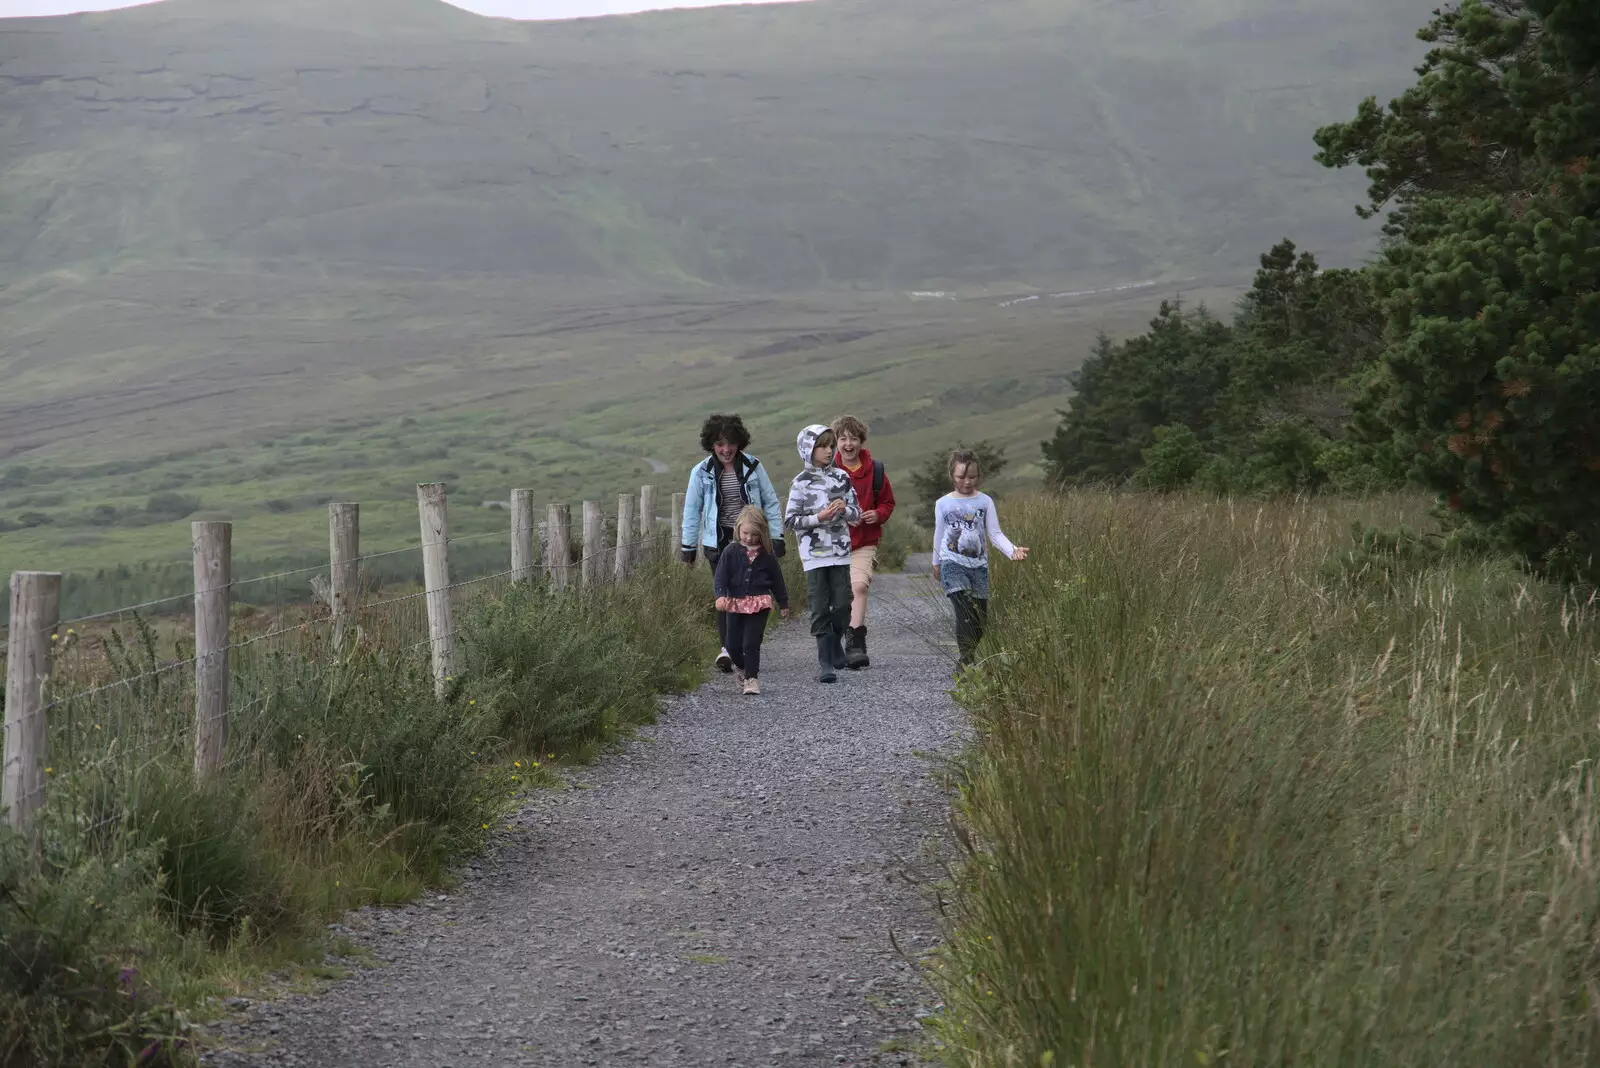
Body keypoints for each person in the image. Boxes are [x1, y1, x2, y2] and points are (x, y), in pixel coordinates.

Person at [681, 413, 785, 674]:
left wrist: (776, 536)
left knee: (750, 590)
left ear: (740, 442)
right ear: (711, 445)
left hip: (752, 539)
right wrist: (688, 547)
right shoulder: (701, 471)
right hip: (719, 541)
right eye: (719, 444)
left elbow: (770, 502)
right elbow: (692, 510)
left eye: (730, 443)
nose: (726, 450)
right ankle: (727, 649)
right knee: (724, 593)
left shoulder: (753, 467)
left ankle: (747, 645)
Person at [931, 449, 1028, 666]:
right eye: (961, 477)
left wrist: (1012, 550)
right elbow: (939, 534)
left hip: (978, 567)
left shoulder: (985, 502)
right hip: (952, 564)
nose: (967, 482)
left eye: (972, 477)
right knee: (965, 611)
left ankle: (969, 656)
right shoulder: (943, 504)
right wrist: (935, 562)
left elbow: (994, 533)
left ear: (979, 476)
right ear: (951, 476)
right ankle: (966, 663)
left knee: (979, 620)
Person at [784, 424, 861, 684]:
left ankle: (836, 644)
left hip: (840, 551)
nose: (829, 451)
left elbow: (857, 514)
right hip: (814, 555)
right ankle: (825, 663)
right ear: (808, 450)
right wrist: (820, 517)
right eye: (822, 446)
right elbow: (791, 521)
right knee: (819, 606)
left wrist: (844, 510)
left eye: (831, 446)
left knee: (843, 605)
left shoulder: (842, 477)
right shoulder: (799, 483)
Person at [832, 414, 896, 669]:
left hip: (865, 542)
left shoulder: (876, 471)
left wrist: (877, 515)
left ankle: (855, 643)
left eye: (854, 438)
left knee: (859, 587)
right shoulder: (828, 471)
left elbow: (888, 503)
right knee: (836, 596)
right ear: (835, 442)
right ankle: (832, 641)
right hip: (833, 543)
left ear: (861, 441)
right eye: (843, 438)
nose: (848, 444)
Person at [713, 505, 790, 696]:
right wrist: (721, 595)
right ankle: (742, 668)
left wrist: (783, 603)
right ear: (738, 529)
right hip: (735, 603)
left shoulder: (767, 555)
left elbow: (777, 580)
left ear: (762, 533)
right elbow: (721, 576)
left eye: (754, 535)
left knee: (751, 643)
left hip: (759, 604)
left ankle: (751, 678)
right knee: (732, 645)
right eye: (745, 533)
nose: (749, 538)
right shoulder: (730, 551)